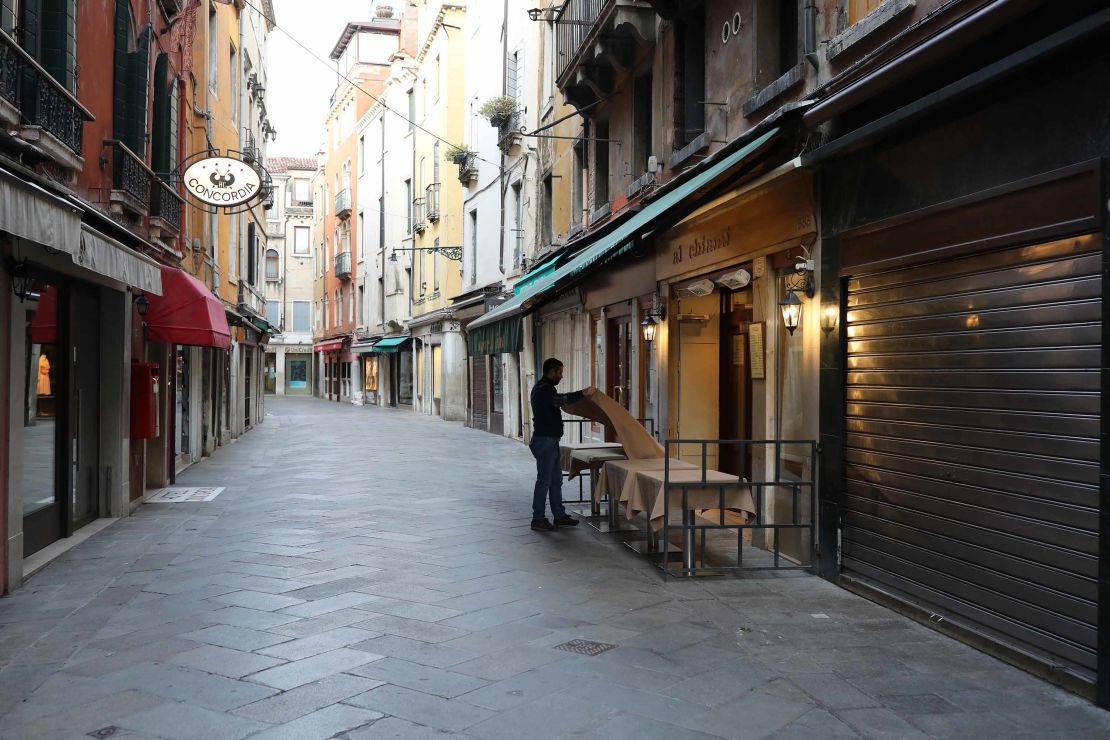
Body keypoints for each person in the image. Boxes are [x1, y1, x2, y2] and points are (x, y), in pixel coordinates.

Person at [528, 358, 596, 531]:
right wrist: (583, 393)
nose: (562, 376)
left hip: (550, 441)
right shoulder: (544, 390)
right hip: (545, 441)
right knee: (544, 481)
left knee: (556, 480)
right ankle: (538, 518)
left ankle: (559, 515)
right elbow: (561, 400)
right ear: (551, 372)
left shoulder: (544, 388)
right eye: (560, 372)